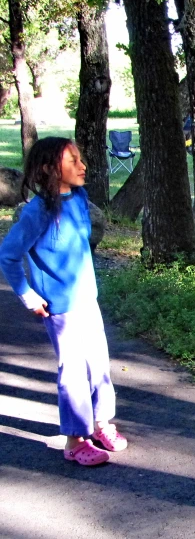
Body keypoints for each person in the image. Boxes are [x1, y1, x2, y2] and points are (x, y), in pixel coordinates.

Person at [0, 137, 128, 466]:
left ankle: (101, 424)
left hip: (88, 301)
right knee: (74, 373)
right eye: (72, 161)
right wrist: (28, 295)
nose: (82, 166)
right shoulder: (37, 212)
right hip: (61, 308)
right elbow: (9, 256)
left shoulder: (80, 197)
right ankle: (74, 440)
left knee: (99, 365)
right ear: (48, 169)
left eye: (80, 159)